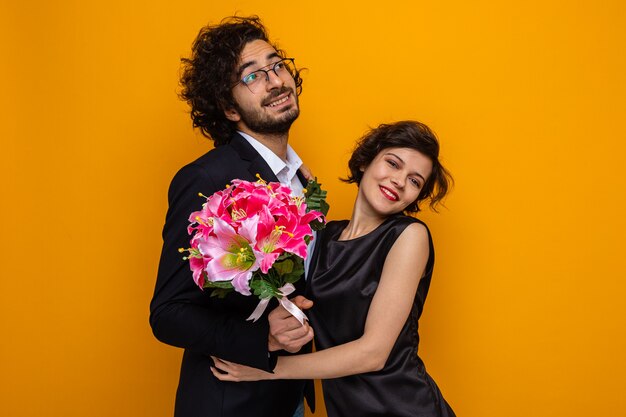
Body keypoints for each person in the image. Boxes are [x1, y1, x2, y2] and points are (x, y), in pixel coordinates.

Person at [210, 120, 457, 417]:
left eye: (415, 181)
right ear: (365, 161)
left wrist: (265, 369)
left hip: (404, 407)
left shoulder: (409, 236)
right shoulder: (322, 235)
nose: (399, 181)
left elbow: (373, 354)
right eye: (393, 163)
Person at [150, 16, 315, 417]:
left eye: (277, 66)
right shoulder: (207, 178)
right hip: (230, 401)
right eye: (253, 76)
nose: (276, 81)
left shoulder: (301, 179)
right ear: (227, 107)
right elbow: (168, 313)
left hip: (286, 394)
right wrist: (264, 338)